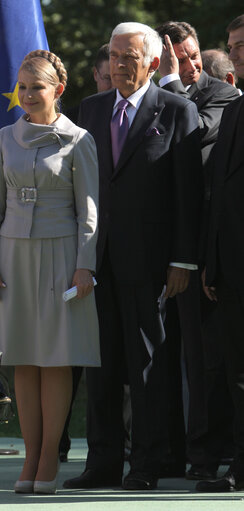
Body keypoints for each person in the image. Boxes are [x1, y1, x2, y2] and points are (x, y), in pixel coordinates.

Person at [63, 22, 203, 491]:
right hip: (97, 261)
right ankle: (101, 462)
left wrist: (183, 260)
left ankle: (146, 464)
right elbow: (82, 186)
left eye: (130, 56)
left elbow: (187, 194)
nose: (121, 64)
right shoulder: (92, 109)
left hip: (152, 264)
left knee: (147, 368)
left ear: (153, 63)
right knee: (99, 365)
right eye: (116, 55)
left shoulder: (178, 111)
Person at [0, 49, 100, 495]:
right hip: (11, 258)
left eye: (38, 87)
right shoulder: (3, 139)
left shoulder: (79, 140)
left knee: (56, 357)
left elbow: (88, 213)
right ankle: (30, 454)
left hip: (61, 257)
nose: (28, 95)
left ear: (59, 90)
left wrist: (84, 266)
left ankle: (49, 455)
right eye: (23, 87)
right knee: (22, 358)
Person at [156, 20, 239, 480]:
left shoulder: (222, 95)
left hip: (212, 253)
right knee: (172, 361)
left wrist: (170, 83)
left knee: (212, 361)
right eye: (178, 59)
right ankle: (169, 451)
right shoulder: (151, 101)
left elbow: (191, 136)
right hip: (165, 250)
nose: (188, 66)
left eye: (190, 56)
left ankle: (210, 456)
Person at [197, 14, 244, 492]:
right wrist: (210, 258)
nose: (236, 54)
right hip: (230, 267)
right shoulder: (232, 110)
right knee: (237, 373)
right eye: (232, 46)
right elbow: (219, 193)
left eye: (243, 44)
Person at [59, 41, 112, 463]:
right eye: (106, 75)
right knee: (70, 358)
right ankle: (57, 444)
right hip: (77, 255)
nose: (112, 83)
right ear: (96, 76)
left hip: (121, 252)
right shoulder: (86, 115)